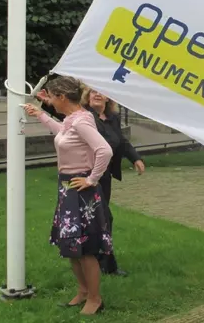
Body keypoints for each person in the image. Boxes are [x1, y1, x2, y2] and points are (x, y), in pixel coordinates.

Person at [22, 76, 113, 316]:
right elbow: (63, 132)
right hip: (68, 189)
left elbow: (104, 150)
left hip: (80, 190)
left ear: (62, 97)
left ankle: (95, 298)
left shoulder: (82, 121)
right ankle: (83, 292)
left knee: (85, 249)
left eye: (51, 97)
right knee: (71, 245)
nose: (49, 101)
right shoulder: (73, 119)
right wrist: (40, 114)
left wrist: (92, 179)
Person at [37, 83, 146, 276]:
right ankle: (103, 263)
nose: (97, 94)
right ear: (87, 96)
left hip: (103, 175)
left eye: (101, 92)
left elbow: (121, 141)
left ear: (108, 98)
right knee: (101, 219)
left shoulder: (112, 118)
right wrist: (46, 103)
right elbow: (65, 118)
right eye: (94, 91)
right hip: (88, 174)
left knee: (102, 219)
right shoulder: (85, 116)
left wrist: (135, 158)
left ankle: (101, 262)